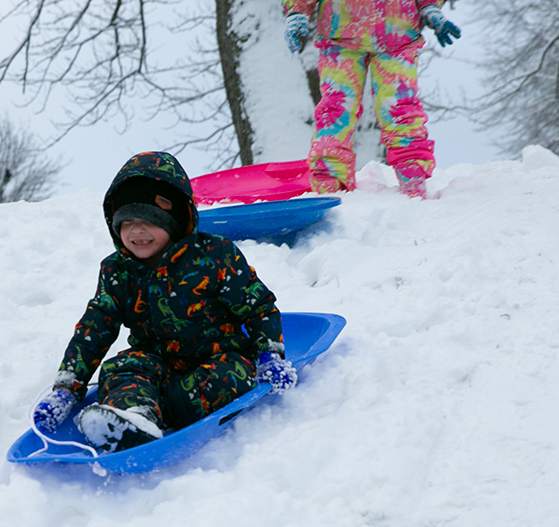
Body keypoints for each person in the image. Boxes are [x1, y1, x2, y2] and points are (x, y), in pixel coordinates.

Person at [32, 151, 297, 453]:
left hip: (217, 355)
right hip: (155, 361)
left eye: (150, 220)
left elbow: (258, 307)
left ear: (174, 220)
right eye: (127, 222)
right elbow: (96, 325)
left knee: (232, 375)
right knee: (119, 371)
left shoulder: (214, 255)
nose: (137, 231)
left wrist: (270, 355)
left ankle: (154, 410)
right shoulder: (117, 270)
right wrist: (68, 387)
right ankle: (136, 415)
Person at [282, 0, 461, 199]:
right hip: (385, 25)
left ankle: (332, 182)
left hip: (357, 26)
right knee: (396, 109)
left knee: (338, 109)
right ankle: (408, 180)